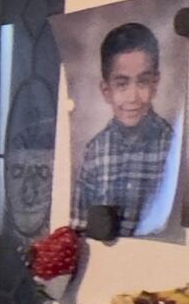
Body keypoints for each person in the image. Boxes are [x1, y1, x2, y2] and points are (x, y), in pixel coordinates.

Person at [76, 20, 177, 233]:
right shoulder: (95, 151)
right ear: (106, 90)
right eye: (122, 84)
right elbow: (80, 224)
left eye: (142, 82)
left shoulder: (173, 146)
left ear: (155, 83)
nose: (133, 97)